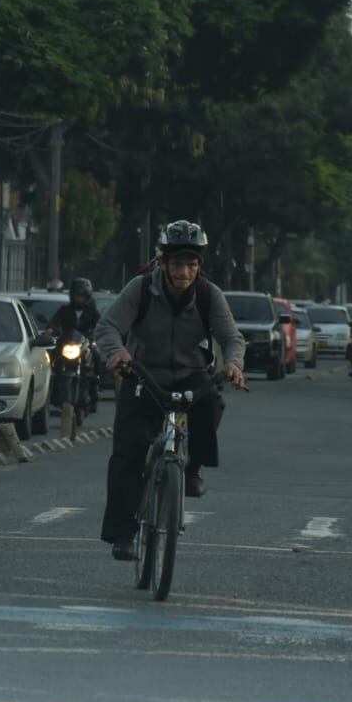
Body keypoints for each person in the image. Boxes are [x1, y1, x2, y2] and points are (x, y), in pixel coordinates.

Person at [93, 220, 245, 561]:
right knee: (129, 452)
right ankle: (123, 535)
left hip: (191, 374)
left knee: (211, 403)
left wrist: (234, 363)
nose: (184, 272)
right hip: (143, 375)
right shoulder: (140, 289)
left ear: (199, 266)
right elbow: (108, 327)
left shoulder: (209, 295)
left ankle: (192, 468)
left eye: (191, 264)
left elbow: (231, 337)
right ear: (162, 263)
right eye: (177, 264)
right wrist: (117, 353)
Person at [48, 278, 102, 413]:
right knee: (51, 356)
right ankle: (51, 386)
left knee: (96, 355)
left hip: (85, 343)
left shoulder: (92, 312)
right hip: (66, 344)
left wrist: (98, 332)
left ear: (87, 297)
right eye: (76, 296)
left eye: (81, 296)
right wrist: (50, 329)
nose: (78, 299)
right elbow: (55, 321)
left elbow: (100, 324)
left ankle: (96, 383)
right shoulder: (64, 310)